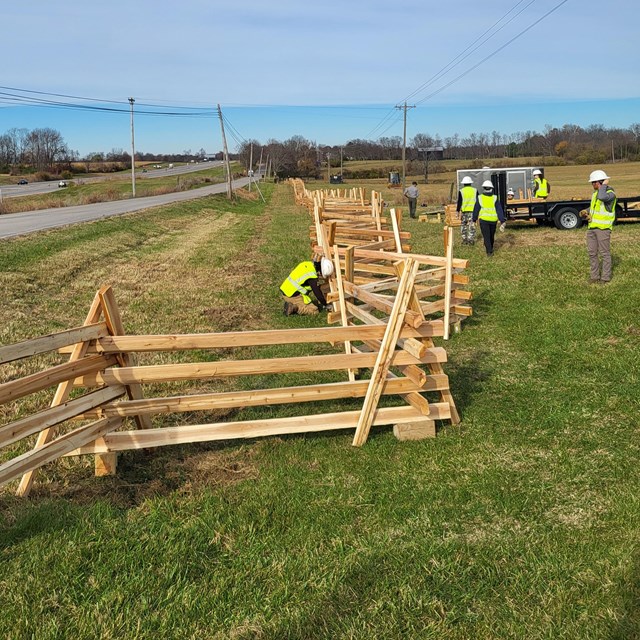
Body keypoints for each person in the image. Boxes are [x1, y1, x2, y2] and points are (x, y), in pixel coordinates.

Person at [582, 169, 616, 284]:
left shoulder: (610, 194)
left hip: (603, 229)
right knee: (592, 253)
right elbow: (595, 208)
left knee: (605, 253)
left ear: (600, 182)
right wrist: (585, 211)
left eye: (593, 182)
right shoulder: (595, 193)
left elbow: (602, 198)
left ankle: (605, 278)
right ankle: (594, 276)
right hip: (592, 228)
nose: (592, 185)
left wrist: (605, 185)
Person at [472, 180, 506, 257]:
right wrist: (502, 220)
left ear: (483, 188)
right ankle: (489, 252)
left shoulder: (480, 197)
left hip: (484, 220)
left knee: (488, 236)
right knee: (490, 236)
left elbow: (476, 209)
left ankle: (489, 248)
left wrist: (474, 219)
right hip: (492, 220)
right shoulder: (495, 197)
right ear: (492, 188)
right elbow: (499, 209)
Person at [456, 176, 477, 245]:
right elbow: (478, 201)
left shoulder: (461, 191)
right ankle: (471, 240)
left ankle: (464, 239)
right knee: (472, 226)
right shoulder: (475, 190)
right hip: (472, 211)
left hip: (464, 212)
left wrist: (457, 211)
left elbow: (459, 202)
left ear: (464, 183)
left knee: (463, 225)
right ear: (470, 183)